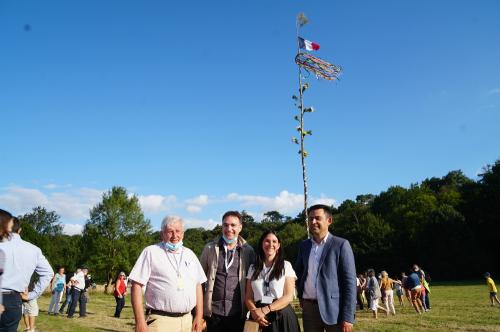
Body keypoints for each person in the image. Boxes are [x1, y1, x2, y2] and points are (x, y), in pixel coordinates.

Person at [129, 216, 206, 332]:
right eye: (170, 231)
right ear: (162, 234)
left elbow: (198, 285)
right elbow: (136, 286)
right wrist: (139, 321)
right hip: (161, 321)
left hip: (187, 321)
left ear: (183, 233)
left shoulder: (190, 255)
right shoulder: (151, 252)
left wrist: (199, 317)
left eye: (178, 231)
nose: (175, 236)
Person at [294, 204, 357, 332]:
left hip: (335, 310)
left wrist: (348, 317)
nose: (313, 222)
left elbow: (350, 283)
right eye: (310, 218)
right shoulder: (304, 246)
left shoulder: (341, 245)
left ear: (329, 221)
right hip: (309, 309)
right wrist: (301, 295)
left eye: (317, 218)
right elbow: (298, 273)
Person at [200, 211, 255, 332]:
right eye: (225, 225)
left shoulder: (248, 251)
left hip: (238, 314)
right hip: (213, 313)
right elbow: (199, 281)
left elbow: (252, 282)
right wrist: (199, 313)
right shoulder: (209, 248)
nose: (229, 229)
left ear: (240, 227)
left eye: (233, 225)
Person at [0, 210, 54, 332]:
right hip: (14, 300)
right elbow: (48, 273)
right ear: (19, 230)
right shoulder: (33, 250)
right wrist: (32, 295)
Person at [245, 230, 300, 332]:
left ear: (278, 245)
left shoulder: (286, 266)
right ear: (262, 244)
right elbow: (248, 297)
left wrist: (265, 310)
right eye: (267, 241)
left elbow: (288, 296)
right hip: (259, 317)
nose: (271, 244)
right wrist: (254, 312)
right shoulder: (253, 268)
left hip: (281, 314)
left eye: (274, 241)